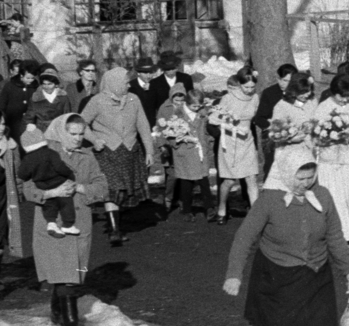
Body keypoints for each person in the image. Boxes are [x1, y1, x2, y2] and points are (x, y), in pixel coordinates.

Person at [223, 161, 349, 326]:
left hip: (315, 274)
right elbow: (244, 237)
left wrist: (348, 269)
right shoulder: (270, 200)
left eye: (310, 177)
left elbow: (335, 236)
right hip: (279, 274)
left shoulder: (322, 196)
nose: (305, 183)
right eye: (300, 178)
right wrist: (234, 274)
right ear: (285, 174)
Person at [22, 114, 108, 326]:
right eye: (73, 134)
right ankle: (71, 322)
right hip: (53, 222)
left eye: (81, 134)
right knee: (65, 272)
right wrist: (51, 193)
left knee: (71, 271)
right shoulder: (44, 155)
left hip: (79, 220)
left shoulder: (88, 157)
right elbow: (27, 188)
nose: (78, 139)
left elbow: (101, 185)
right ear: (61, 132)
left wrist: (80, 188)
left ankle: (58, 309)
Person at [80, 65, 157, 245]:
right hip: (108, 153)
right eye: (125, 83)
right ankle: (114, 230)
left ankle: (115, 223)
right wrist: (94, 140)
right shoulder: (97, 101)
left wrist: (150, 151)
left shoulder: (133, 99)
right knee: (111, 191)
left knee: (123, 192)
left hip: (131, 152)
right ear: (114, 83)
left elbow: (143, 126)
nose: (129, 86)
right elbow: (81, 123)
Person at [311, 75, 349, 244]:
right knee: (338, 198)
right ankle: (342, 235)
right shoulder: (323, 107)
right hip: (333, 159)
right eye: (341, 97)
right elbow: (317, 136)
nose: (345, 100)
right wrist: (331, 136)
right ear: (333, 93)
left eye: (348, 96)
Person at [211, 67, 261, 225]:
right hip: (230, 142)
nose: (249, 90)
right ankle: (222, 207)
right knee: (230, 181)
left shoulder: (255, 98)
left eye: (253, 87)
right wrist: (232, 126)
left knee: (251, 177)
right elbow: (213, 118)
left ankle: (255, 216)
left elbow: (255, 117)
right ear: (239, 84)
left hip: (247, 141)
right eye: (246, 87)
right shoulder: (227, 98)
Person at [154, 87, 212, 221]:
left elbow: (206, 129)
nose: (196, 108)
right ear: (187, 103)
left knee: (204, 181)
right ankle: (186, 209)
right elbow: (168, 133)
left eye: (199, 106)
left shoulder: (202, 113)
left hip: (199, 151)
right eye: (194, 106)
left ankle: (209, 208)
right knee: (187, 182)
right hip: (184, 151)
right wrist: (176, 144)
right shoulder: (177, 115)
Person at [17, 126, 80, 236]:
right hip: (58, 181)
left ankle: (51, 223)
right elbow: (59, 167)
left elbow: (22, 174)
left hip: (42, 185)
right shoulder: (51, 153)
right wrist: (69, 173)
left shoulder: (27, 159)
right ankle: (68, 225)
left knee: (49, 204)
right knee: (66, 203)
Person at [264, 73, 317, 192]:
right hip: (290, 151)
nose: (307, 94)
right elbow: (274, 134)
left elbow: (316, 120)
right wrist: (291, 139)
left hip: (310, 150)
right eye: (303, 92)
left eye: (308, 91)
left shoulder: (312, 101)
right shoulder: (281, 106)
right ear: (293, 91)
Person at [254, 63, 298, 176]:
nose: (284, 83)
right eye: (282, 80)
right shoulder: (269, 93)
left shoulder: (299, 93)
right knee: (271, 169)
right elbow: (259, 118)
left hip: (295, 138)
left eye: (288, 81)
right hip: (273, 138)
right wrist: (273, 128)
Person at [2, 61, 38, 138]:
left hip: (30, 123)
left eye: (32, 78)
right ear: (21, 75)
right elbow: (2, 105)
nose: (30, 80)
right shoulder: (9, 86)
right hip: (12, 123)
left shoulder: (35, 87)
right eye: (28, 78)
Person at [130, 56, 164, 125]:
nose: (148, 76)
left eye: (151, 73)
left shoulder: (156, 85)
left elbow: (160, 106)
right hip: (134, 126)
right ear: (138, 73)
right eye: (145, 73)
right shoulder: (130, 86)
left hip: (152, 125)